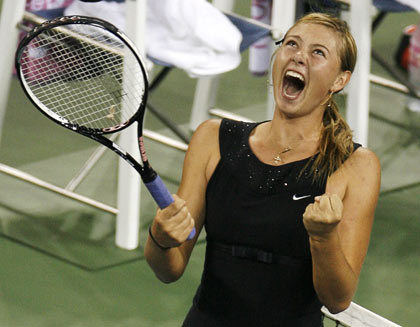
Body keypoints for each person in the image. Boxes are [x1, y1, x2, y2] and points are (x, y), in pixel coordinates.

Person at [144, 12, 381, 327]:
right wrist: (159, 237)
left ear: (340, 80)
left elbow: (337, 300)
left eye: (317, 53)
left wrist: (323, 239)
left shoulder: (355, 167)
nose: (298, 56)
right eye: (291, 44)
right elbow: (169, 269)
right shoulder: (212, 139)